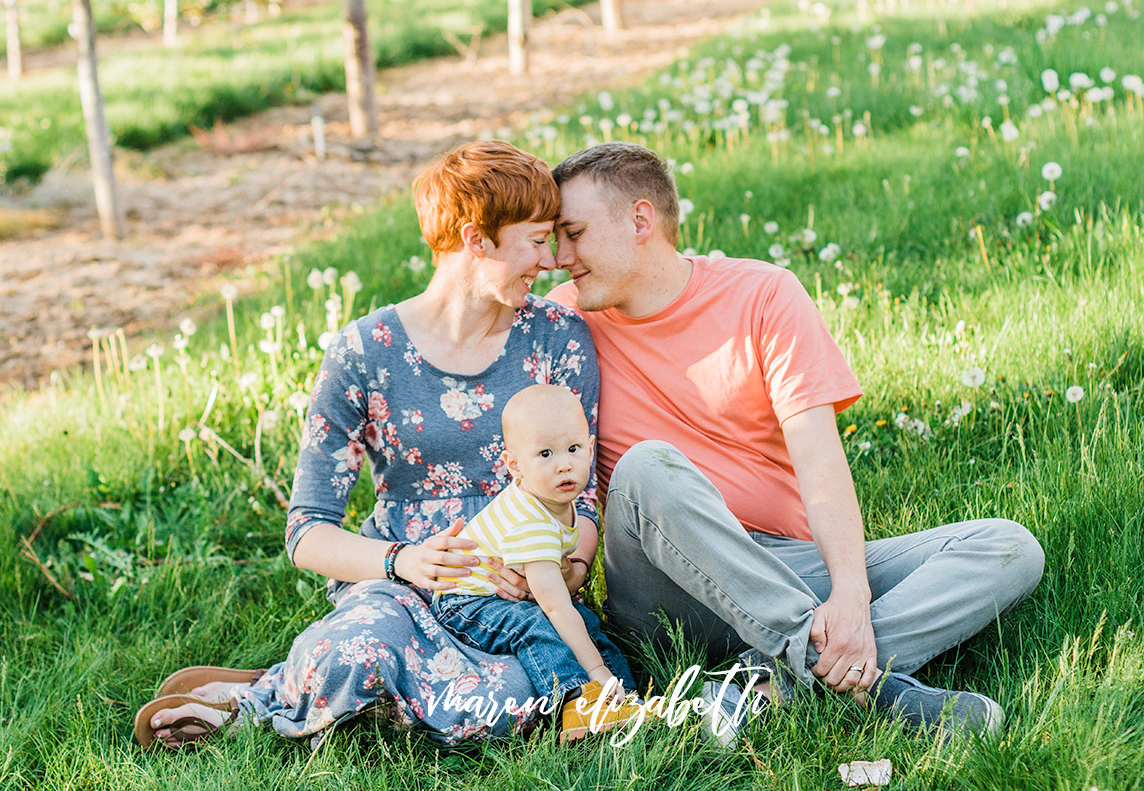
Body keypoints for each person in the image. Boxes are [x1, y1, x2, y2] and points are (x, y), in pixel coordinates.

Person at [547, 141, 1045, 747]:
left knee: (1006, 546)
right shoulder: (563, 325)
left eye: (572, 233)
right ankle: (853, 675)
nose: (557, 258)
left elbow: (819, 458)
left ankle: (771, 687)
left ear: (641, 220)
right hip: (663, 589)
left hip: (783, 561)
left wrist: (852, 598)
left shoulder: (763, 295)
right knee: (646, 467)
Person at [133, 141, 602, 749]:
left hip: (517, 593)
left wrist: (569, 571)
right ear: (475, 239)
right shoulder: (364, 351)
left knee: (522, 691)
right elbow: (307, 533)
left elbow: (585, 495)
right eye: (537, 241)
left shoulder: (558, 337)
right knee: (358, 649)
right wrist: (402, 560)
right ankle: (266, 697)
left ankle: (325, 694)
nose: (551, 261)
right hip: (399, 587)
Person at [431, 383, 645, 741]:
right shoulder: (531, 522)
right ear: (514, 465)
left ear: (590, 449)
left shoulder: (558, 499)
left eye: (573, 449)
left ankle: (627, 700)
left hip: (499, 596)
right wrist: (593, 668)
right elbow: (556, 607)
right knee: (535, 625)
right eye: (545, 454)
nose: (564, 465)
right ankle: (575, 702)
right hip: (464, 601)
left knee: (589, 623)